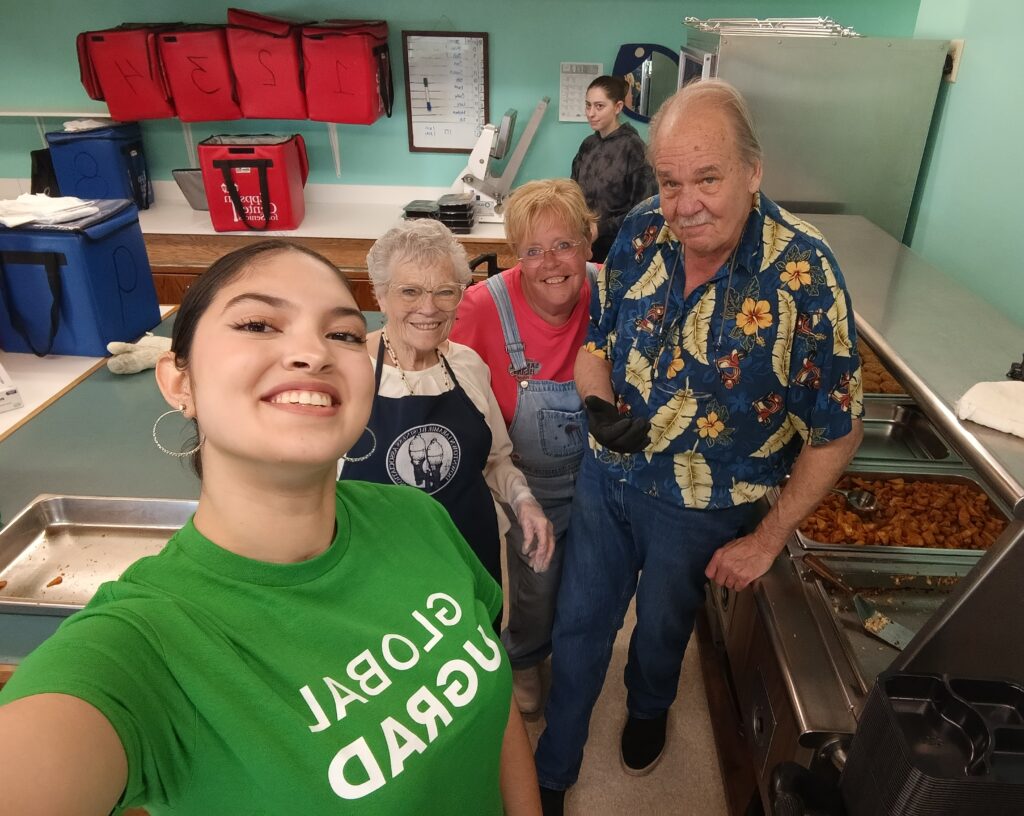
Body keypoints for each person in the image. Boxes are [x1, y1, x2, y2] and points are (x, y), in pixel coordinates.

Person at [0, 240, 542, 815]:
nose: (312, 351)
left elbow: (490, 686)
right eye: (259, 323)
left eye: (342, 334)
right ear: (180, 382)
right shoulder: (146, 646)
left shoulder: (419, 519)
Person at [535, 79, 865, 813]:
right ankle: (553, 770)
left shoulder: (806, 274)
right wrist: (596, 402)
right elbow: (596, 344)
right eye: (671, 180)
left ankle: (649, 707)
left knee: (661, 631)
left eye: (708, 179)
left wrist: (769, 539)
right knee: (579, 626)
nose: (685, 205)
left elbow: (837, 434)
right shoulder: (643, 229)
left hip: (707, 505)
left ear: (753, 170)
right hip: (610, 481)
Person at [339, 219, 555, 595]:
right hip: (376, 573)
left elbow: (495, 461)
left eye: (445, 291)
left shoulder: (469, 365)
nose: (428, 307)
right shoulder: (345, 372)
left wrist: (525, 504)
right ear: (379, 294)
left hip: (469, 558)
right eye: (409, 291)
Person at [450, 179, 596, 715]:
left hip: (606, 478)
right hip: (531, 484)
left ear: (588, 243)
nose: (550, 263)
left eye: (564, 245)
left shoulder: (615, 291)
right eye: (532, 250)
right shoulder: (481, 308)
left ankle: (580, 661)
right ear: (516, 257)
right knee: (536, 589)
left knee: (592, 587)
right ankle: (527, 658)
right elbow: (445, 382)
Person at [571, 75, 657, 263]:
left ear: (617, 107)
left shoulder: (634, 148)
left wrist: (600, 228)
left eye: (599, 106)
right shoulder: (588, 145)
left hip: (620, 252)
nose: (591, 113)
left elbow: (645, 209)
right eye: (588, 105)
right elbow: (572, 193)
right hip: (585, 248)